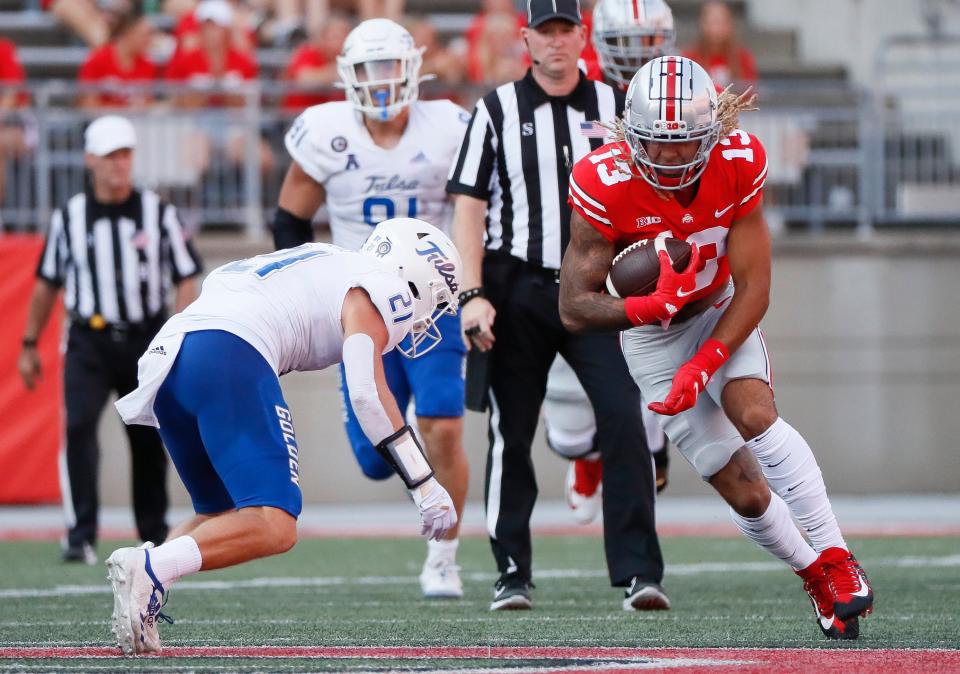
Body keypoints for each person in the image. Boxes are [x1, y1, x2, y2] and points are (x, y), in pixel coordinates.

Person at [559, 55, 874, 639]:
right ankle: (813, 575)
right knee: (745, 491)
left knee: (752, 409)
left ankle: (835, 557)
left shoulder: (738, 159)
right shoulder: (601, 180)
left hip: (720, 310)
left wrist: (706, 361)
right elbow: (574, 306)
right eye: (658, 143)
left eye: (688, 142)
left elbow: (755, 286)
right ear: (631, 135)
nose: (674, 156)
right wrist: (647, 307)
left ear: (715, 131)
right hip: (651, 340)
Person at [107, 218, 461, 655]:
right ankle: (150, 566)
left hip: (171, 356)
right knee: (276, 523)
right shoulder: (382, 287)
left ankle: (143, 589)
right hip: (229, 348)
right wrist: (424, 484)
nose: (430, 315)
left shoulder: (334, 259)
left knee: (222, 515)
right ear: (414, 273)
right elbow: (367, 393)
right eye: (436, 299)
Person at [447, 0, 667, 613]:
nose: (557, 42)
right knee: (509, 431)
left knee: (624, 417)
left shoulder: (615, 106)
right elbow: (468, 205)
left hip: (597, 287)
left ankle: (639, 571)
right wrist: (472, 295)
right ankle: (511, 570)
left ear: (582, 34)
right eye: (545, 32)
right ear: (526, 39)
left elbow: (650, 187)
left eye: (566, 29)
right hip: (517, 285)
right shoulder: (494, 110)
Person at [271, 19, 471, 599]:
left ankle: (444, 554)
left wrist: (477, 290)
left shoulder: (449, 126)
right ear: (347, 77)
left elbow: (478, 209)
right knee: (374, 459)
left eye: (391, 68)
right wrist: (303, 290)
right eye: (369, 71)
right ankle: (401, 452)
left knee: (443, 423)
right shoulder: (325, 132)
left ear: (414, 68)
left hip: (433, 298)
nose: (382, 83)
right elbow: (291, 219)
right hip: (359, 300)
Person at [18, 115, 202, 565]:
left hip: (145, 337)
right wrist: (28, 342)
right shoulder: (70, 217)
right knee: (78, 427)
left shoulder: (157, 211)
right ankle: (80, 534)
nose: (121, 165)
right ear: (91, 160)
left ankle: (153, 535)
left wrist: (176, 330)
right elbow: (47, 282)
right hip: (88, 340)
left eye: (126, 155)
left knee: (146, 437)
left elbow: (187, 275)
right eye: (111, 156)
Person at [547, 0, 676, 524]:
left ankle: (650, 452)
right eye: (626, 41)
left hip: (652, 245)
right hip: (586, 244)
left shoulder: (682, 93)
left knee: (651, 386)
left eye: (647, 42)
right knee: (568, 433)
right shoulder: (579, 93)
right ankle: (587, 459)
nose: (637, 53)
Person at [78, 8, 157, 109]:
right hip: (103, 121)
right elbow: (88, 105)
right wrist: (122, 110)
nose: (149, 41)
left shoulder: (147, 64)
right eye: (144, 35)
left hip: (135, 121)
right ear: (128, 33)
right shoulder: (98, 59)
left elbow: (148, 103)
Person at [681, 0, 757, 93]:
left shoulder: (743, 57)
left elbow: (750, 93)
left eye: (720, 22)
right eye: (711, 22)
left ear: (729, 25)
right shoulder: (689, 58)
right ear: (702, 24)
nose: (716, 28)